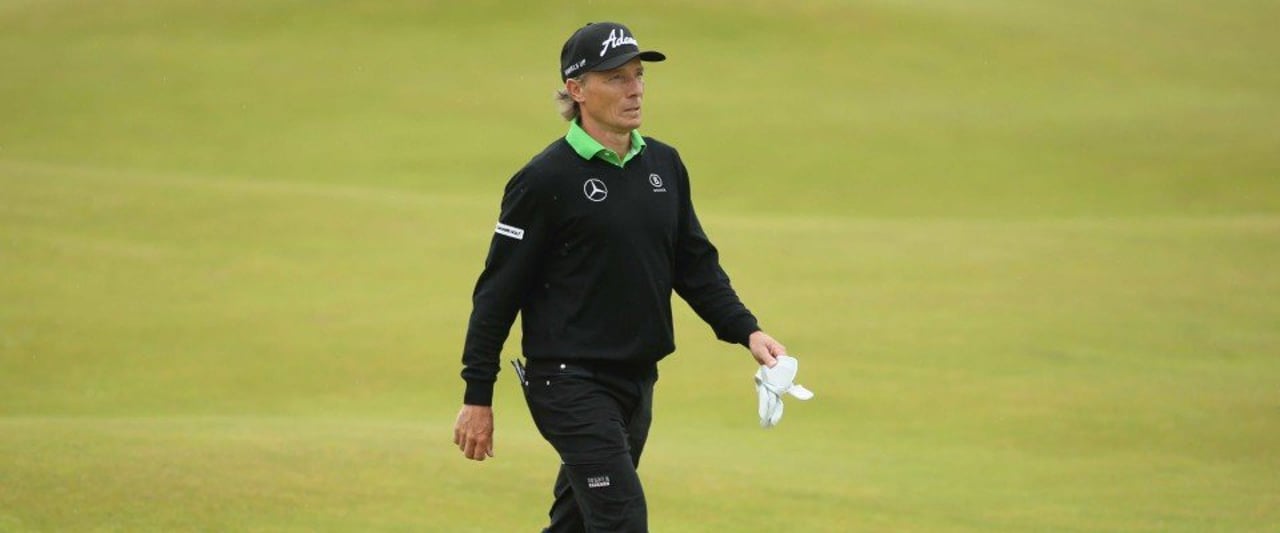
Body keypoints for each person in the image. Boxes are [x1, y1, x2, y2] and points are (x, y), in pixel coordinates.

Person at [452, 21, 788, 532]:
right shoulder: (544, 180)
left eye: (637, 75)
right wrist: (478, 395)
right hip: (567, 383)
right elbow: (498, 291)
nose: (634, 89)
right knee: (621, 521)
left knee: (577, 525)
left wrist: (749, 330)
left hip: (636, 380)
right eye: (615, 78)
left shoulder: (664, 165)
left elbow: (694, 266)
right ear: (576, 90)